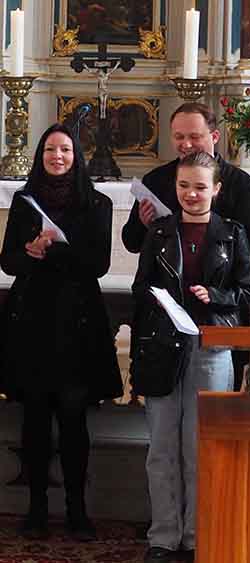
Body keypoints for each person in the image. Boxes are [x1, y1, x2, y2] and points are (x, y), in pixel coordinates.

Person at [131, 152, 250, 563]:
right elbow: (141, 288)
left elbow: (246, 291)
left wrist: (216, 296)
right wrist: (161, 305)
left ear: (216, 190)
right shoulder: (160, 231)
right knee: (162, 445)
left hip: (211, 345)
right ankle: (164, 536)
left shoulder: (232, 233)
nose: (191, 194)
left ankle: (199, 534)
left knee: (200, 445)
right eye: (184, 186)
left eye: (201, 186)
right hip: (164, 345)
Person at [0, 124, 122, 541]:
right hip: (32, 321)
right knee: (33, 421)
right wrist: (30, 253)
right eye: (50, 149)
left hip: (77, 325)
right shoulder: (23, 200)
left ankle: (77, 510)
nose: (57, 156)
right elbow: (8, 262)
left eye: (65, 149)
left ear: (77, 156)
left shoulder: (98, 203)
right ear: (40, 155)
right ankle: (35, 510)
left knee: (73, 420)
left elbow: (98, 264)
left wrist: (55, 249)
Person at [122, 102, 250, 391]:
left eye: (194, 136)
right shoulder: (158, 179)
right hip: (164, 320)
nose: (185, 144)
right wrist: (146, 226)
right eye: (178, 136)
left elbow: (246, 253)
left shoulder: (240, 183)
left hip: (217, 316)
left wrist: (214, 293)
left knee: (213, 411)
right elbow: (132, 242)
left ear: (214, 136)